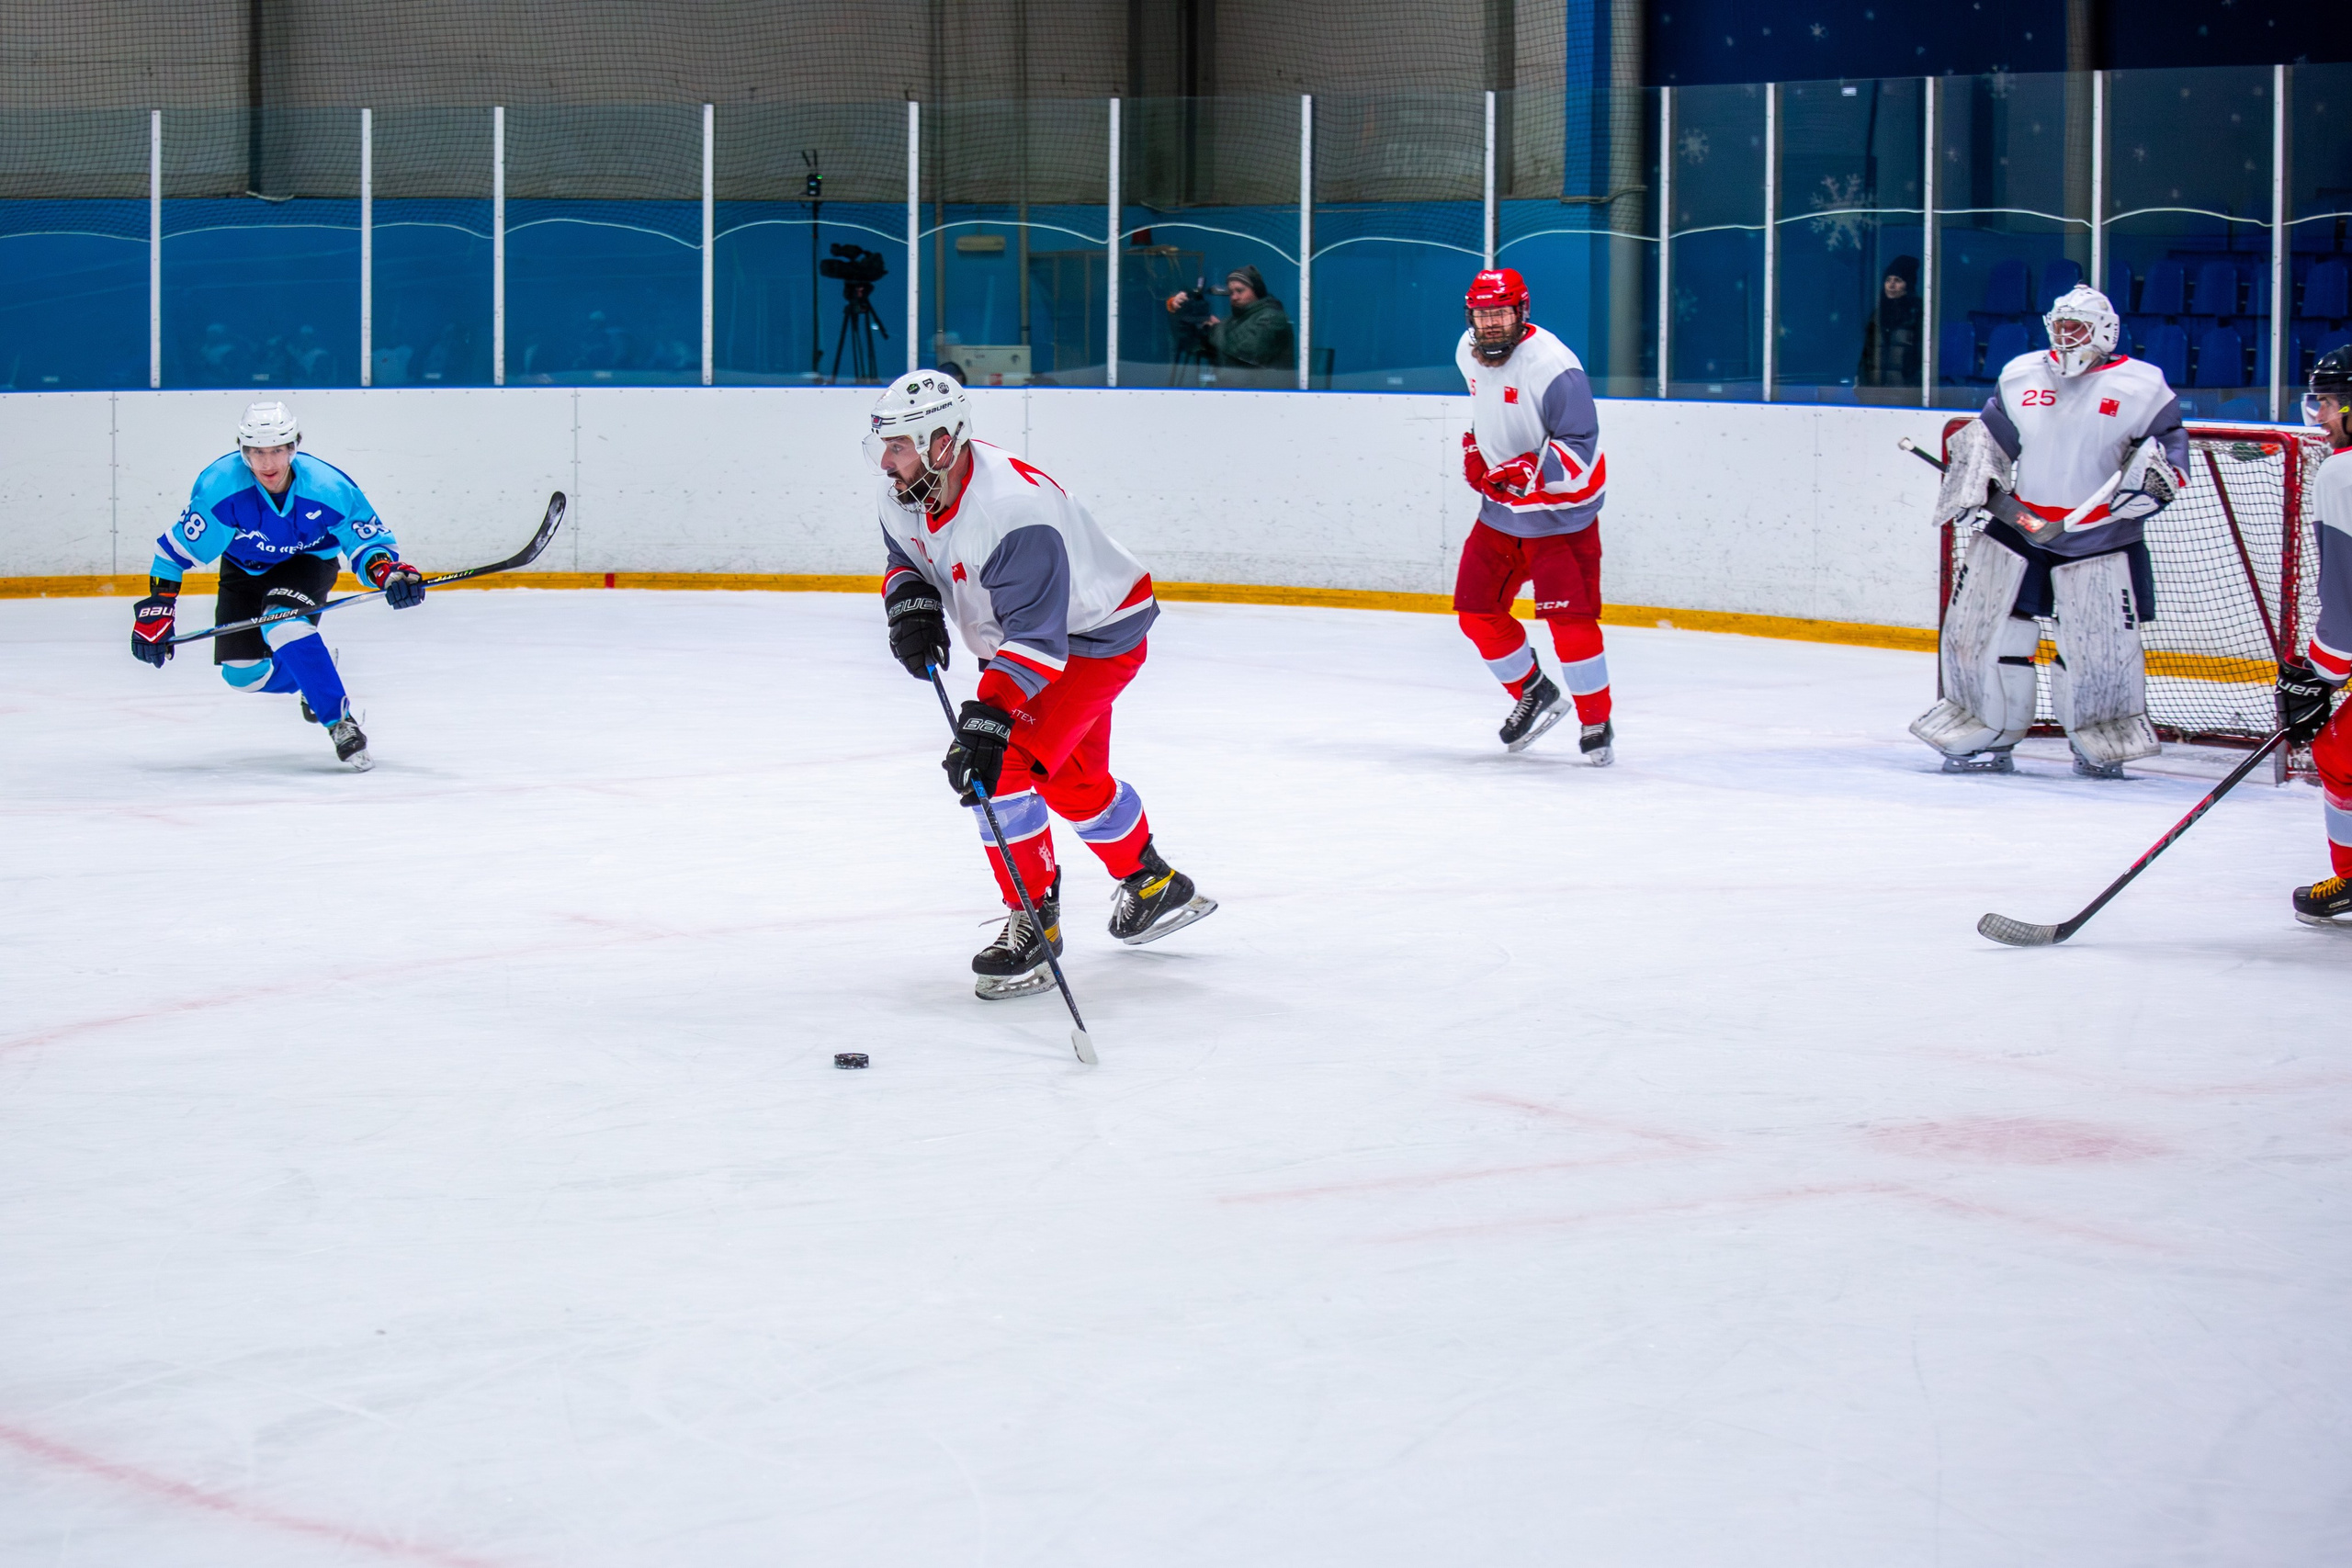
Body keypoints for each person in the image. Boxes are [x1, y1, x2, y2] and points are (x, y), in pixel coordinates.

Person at [867, 371, 1217, 998]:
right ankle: (1154, 885)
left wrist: (990, 714)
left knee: (999, 767)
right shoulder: (906, 492)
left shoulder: (1011, 511)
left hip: (1092, 636)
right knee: (1074, 779)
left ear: (942, 442)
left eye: (899, 446)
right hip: (1033, 638)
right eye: (884, 446)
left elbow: (1038, 640)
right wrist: (910, 603)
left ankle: (1036, 921)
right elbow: (907, 560)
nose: (887, 463)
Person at [1911, 284, 2188, 778]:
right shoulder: (2021, 374)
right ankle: (1984, 725)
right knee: (1983, 633)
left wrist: (2152, 485)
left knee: (2094, 647)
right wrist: (1975, 479)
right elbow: (1991, 438)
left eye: (2075, 327)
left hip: (2101, 535)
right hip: (2018, 526)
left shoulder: (2143, 386)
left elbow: (2168, 454)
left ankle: (2100, 735)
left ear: (2104, 331)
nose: (2064, 337)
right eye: (2058, 326)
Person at [130, 400, 425, 771]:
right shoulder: (221, 488)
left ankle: (339, 721)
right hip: (243, 570)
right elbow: (171, 555)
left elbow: (368, 546)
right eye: (256, 452)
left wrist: (389, 574)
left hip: (307, 564)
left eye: (276, 451)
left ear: (293, 447)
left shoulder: (328, 487)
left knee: (282, 622)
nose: (267, 464)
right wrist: (159, 608)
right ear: (243, 450)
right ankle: (313, 669)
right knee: (242, 674)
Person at [1450, 266, 1614, 762]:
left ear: (1522, 311)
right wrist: (1477, 446)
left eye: (1500, 312)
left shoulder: (1555, 367)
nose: (1491, 324)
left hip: (1562, 519)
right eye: (1482, 314)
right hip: (1500, 514)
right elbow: (1495, 413)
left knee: (1571, 623)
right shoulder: (1466, 350)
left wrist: (1528, 468)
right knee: (1476, 613)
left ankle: (1595, 720)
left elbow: (1581, 445)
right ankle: (1534, 690)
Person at [2276, 345, 2352, 926]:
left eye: (2327, 402)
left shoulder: (2342, 471)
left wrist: (2322, 668)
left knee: (2337, 752)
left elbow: (2345, 588)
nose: (2319, 416)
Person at [1163, 265, 1295, 383]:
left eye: (1240, 291)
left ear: (1257, 290)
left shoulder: (1273, 317)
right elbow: (1193, 346)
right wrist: (1178, 311)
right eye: (1231, 292)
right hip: (1232, 399)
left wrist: (1215, 329)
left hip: (1267, 401)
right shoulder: (1231, 323)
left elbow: (1248, 348)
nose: (1234, 297)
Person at [1857, 255, 1921, 389]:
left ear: (1908, 284)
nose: (1891, 285)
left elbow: (1922, 357)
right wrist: (1863, 386)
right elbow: (1866, 355)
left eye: (1897, 280)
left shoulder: (1916, 314)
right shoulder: (1877, 315)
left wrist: (1913, 386)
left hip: (1906, 395)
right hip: (1875, 394)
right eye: (1888, 280)